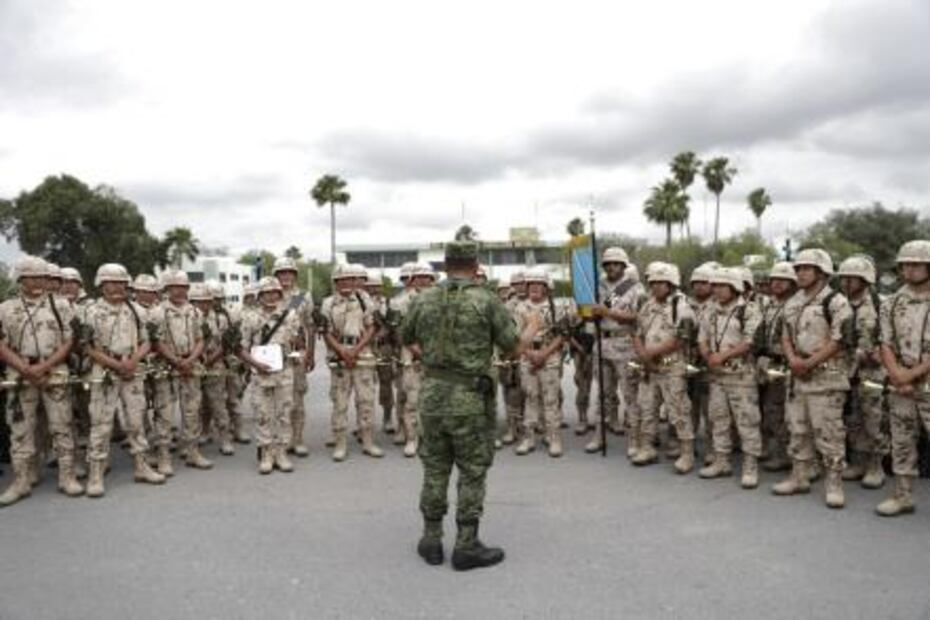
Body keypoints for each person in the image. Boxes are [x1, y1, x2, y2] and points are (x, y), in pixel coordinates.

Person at [402, 240, 541, 570]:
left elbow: (406, 336)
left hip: (433, 396)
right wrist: (532, 328)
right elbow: (511, 350)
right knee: (472, 471)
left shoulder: (424, 298)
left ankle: (431, 540)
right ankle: (466, 545)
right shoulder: (486, 300)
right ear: (476, 263)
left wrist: (435, 362)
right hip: (471, 401)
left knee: (435, 468)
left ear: (445, 264)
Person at [0, 256, 83, 506]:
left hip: (54, 371)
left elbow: (70, 341)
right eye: (31, 277)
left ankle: (67, 476)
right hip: (20, 373)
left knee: (62, 425)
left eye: (42, 277)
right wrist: (24, 368)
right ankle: (21, 481)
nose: (37, 281)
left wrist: (45, 366)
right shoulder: (5, 308)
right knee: (21, 429)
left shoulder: (62, 306)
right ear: (20, 279)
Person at [773, 248, 852, 509]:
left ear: (821, 272)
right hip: (798, 376)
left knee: (828, 432)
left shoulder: (836, 302)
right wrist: (793, 359)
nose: (801, 273)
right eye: (798, 268)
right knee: (797, 428)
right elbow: (784, 334)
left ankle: (834, 483)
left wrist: (809, 362)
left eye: (807, 268)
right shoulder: (793, 301)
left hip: (826, 377)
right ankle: (799, 476)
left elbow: (841, 340)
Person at [82, 264, 165, 496]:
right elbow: (87, 347)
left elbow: (148, 341)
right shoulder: (90, 311)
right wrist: (117, 365)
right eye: (111, 282)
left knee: (136, 419)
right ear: (101, 284)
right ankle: (96, 473)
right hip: (105, 371)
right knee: (101, 423)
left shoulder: (137, 311)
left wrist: (133, 361)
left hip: (133, 368)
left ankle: (142, 466)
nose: (117, 286)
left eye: (121, 282)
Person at [876, 240, 930, 516]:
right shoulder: (892, 302)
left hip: (922, 379)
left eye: (916, 264)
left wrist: (909, 375)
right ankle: (902, 495)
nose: (909, 269)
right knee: (902, 440)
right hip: (900, 382)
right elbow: (884, 342)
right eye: (905, 264)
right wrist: (897, 374)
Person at [697, 267, 764, 489]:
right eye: (714, 286)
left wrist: (722, 356)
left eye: (722, 286)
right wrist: (707, 355)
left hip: (741, 376)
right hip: (717, 376)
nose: (717, 290)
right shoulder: (710, 310)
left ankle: (750, 465)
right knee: (718, 419)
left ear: (734, 287)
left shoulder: (749, 310)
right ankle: (721, 460)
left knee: (747, 421)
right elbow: (702, 337)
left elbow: (749, 342)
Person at [631, 262, 697, 473]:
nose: (657, 287)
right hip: (648, 367)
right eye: (653, 283)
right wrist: (643, 354)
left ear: (671, 284)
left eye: (662, 283)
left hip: (671, 366)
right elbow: (637, 333)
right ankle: (647, 446)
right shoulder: (646, 305)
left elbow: (680, 339)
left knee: (678, 409)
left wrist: (650, 354)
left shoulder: (682, 307)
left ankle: (687, 453)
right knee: (647, 408)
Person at [237, 276, 302, 474]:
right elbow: (241, 348)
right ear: (259, 296)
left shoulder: (290, 316)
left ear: (280, 294)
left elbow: (299, 343)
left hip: (284, 371)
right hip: (260, 373)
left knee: (283, 413)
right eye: (266, 293)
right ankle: (266, 453)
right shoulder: (250, 318)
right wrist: (255, 364)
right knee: (263, 413)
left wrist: (299, 356)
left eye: (275, 292)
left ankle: (281, 452)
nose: (271, 296)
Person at [150, 269, 212, 471]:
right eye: (175, 287)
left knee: (192, 411)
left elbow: (201, 339)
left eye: (183, 287)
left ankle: (193, 451)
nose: (179, 291)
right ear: (167, 288)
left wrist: (191, 360)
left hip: (191, 366)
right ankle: (164, 456)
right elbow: (156, 342)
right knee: (165, 414)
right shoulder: (158, 312)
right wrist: (177, 361)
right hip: (166, 367)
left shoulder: (195, 312)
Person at [320, 264, 382, 461]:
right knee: (340, 402)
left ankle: (368, 441)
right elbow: (326, 332)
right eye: (341, 280)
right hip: (339, 355)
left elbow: (371, 327)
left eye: (350, 280)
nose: (346, 283)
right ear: (335, 283)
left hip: (362, 354)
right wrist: (342, 351)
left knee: (366, 401)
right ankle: (340, 443)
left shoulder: (365, 300)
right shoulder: (328, 303)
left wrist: (355, 350)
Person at [837, 256, 887, 489]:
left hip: (873, 372)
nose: (846, 282)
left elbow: (893, 336)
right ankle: (858, 461)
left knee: (874, 417)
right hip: (846, 371)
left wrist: (881, 353)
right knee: (852, 418)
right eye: (844, 278)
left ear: (866, 279)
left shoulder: (881, 304)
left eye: (852, 278)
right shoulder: (838, 304)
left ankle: (876, 465)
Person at [514, 269, 567, 457]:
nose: (535, 287)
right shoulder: (520, 308)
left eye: (539, 284)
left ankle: (553, 437)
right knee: (530, 398)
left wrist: (544, 354)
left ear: (546, 287)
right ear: (526, 287)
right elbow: (515, 337)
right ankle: (528, 438)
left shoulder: (555, 308)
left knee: (551, 400)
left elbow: (562, 335)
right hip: (527, 358)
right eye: (531, 284)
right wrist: (530, 354)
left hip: (549, 358)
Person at [271, 257, 315, 458]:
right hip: (273, 353)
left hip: (296, 351)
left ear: (295, 275)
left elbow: (309, 326)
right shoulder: (269, 294)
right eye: (281, 273)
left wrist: (310, 354)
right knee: (276, 400)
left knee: (297, 398)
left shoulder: (301, 297)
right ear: (276, 275)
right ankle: (280, 440)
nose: (285, 276)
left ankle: (297, 440)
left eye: (289, 272)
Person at [757, 262, 796, 472]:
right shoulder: (768, 304)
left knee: (782, 411)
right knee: (769, 409)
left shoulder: (796, 304)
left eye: (783, 280)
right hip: (767, 362)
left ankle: (785, 454)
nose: (777, 284)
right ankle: (776, 450)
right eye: (774, 280)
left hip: (786, 363)